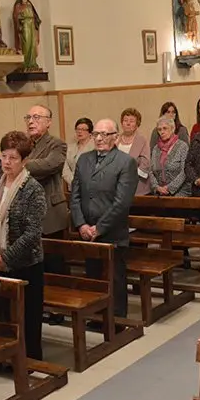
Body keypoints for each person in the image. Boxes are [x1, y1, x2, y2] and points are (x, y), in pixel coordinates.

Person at [0, 131, 47, 360]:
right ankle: (6, 359)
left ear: (25, 160)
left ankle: (29, 361)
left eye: (13, 158)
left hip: (25, 265)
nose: (7, 162)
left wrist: (6, 258)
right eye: (4, 156)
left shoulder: (32, 189)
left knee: (27, 318)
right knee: (3, 315)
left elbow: (32, 234)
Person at [70, 119, 138, 320]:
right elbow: (75, 195)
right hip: (87, 232)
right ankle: (96, 317)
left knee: (114, 279)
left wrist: (98, 229)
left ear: (115, 137)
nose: (99, 138)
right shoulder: (84, 159)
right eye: (96, 134)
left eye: (105, 134)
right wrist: (81, 224)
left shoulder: (125, 162)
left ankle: (116, 320)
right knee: (93, 277)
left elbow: (121, 203)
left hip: (112, 233)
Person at [24, 105, 68, 273]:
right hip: (28, 213)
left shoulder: (57, 144)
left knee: (55, 265)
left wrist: (21, 166)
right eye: (28, 118)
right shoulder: (25, 144)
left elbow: (49, 165)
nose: (31, 122)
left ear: (48, 122)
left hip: (50, 213)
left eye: (36, 117)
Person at [150, 116, 191, 197]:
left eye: (165, 128)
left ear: (172, 129)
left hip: (180, 191)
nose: (162, 132)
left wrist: (169, 188)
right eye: (159, 129)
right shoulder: (156, 148)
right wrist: (157, 187)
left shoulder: (182, 146)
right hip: (159, 191)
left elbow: (184, 171)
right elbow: (150, 171)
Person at [116, 108, 151, 195]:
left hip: (137, 186)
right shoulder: (115, 140)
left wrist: (128, 175)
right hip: (116, 187)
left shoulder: (142, 140)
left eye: (131, 121)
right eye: (125, 120)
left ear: (137, 124)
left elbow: (145, 163)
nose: (128, 123)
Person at [13, 0, 41, 70]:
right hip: (24, 24)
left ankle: (32, 63)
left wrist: (36, 21)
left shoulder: (29, 3)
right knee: (26, 43)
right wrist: (20, 21)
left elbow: (35, 15)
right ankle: (25, 63)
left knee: (32, 44)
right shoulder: (18, 4)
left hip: (31, 24)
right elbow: (15, 16)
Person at [63, 117, 94, 188]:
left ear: (90, 132)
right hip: (72, 187)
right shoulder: (70, 148)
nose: (79, 132)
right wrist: (73, 182)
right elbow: (65, 170)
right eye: (78, 129)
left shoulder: (95, 147)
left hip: (90, 187)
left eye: (83, 129)